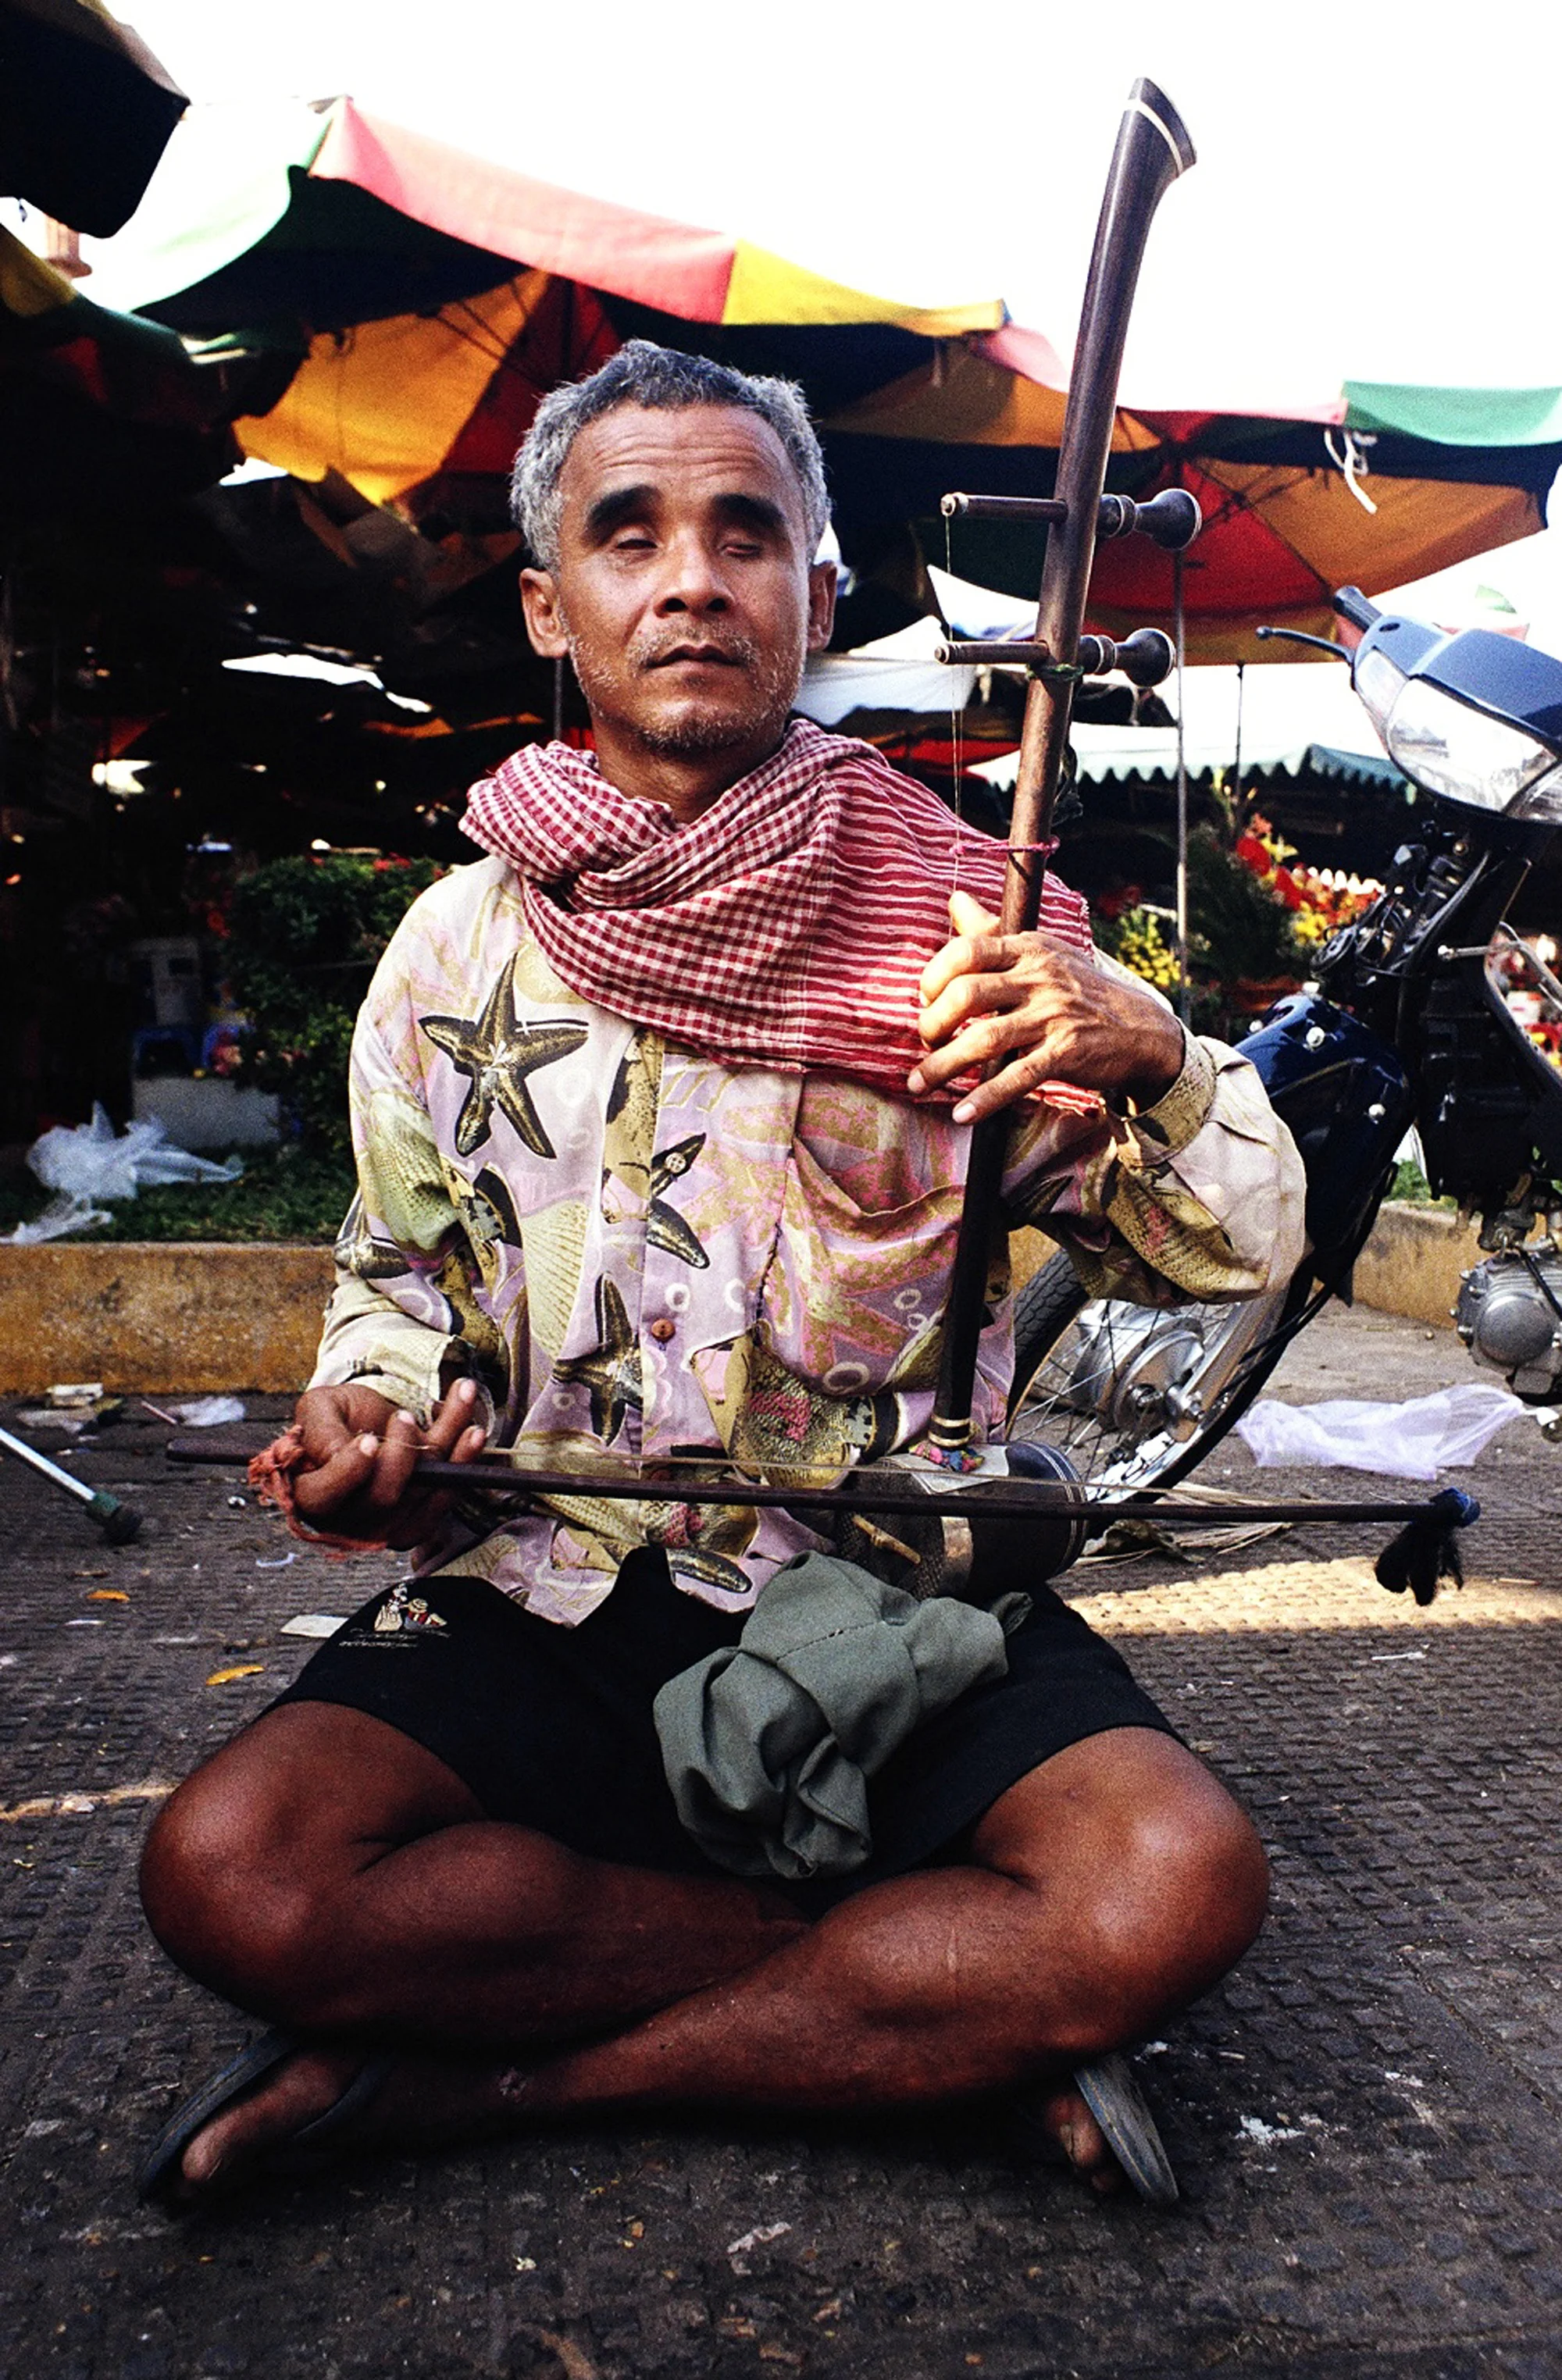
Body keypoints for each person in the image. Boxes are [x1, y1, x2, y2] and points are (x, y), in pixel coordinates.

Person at [137, 342, 1304, 2207]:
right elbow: (403, 1279)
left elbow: (1226, 1257)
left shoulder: (970, 936)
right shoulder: (454, 948)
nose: (691, 579)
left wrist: (1150, 1049)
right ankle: (921, 1995)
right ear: (551, 606)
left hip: (895, 1589)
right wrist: (370, 1410)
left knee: (1166, 1885)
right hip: (545, 1577)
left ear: (816, 595)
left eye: (744, 533)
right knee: (236, 1875)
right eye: (629, 535)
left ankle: (480, 2089)